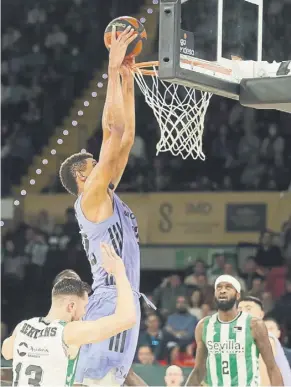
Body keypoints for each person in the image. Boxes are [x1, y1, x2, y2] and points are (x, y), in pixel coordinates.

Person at [59, 26, 153, 386]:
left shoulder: (104, 194)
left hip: (121, 301)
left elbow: (125, 137)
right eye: (93, 166)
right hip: (112, 301)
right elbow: (112, 135)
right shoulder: (90, 199)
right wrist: (114, 69)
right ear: (82, 180)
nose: (101, 166)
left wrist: (127, 81)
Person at [1, 243, 136, 387]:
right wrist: (119, 273)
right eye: (83, 307)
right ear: (71, 306)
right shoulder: (69, 332)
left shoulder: (23, 327)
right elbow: (127, 318)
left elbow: (7, 353)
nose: (84, 312)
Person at [185, 274, 283, 387]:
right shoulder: (204, 325)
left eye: (228, 287)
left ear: (237, 295)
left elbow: (272, 367)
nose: (222, 291)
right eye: (219, 287)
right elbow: (199, 370)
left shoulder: (254, 325)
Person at [239, 296, 291, 386]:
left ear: (261, 314)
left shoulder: (265, 338)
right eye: (239, 310)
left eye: (248, 309)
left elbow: (265, 377)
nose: (243, 312)